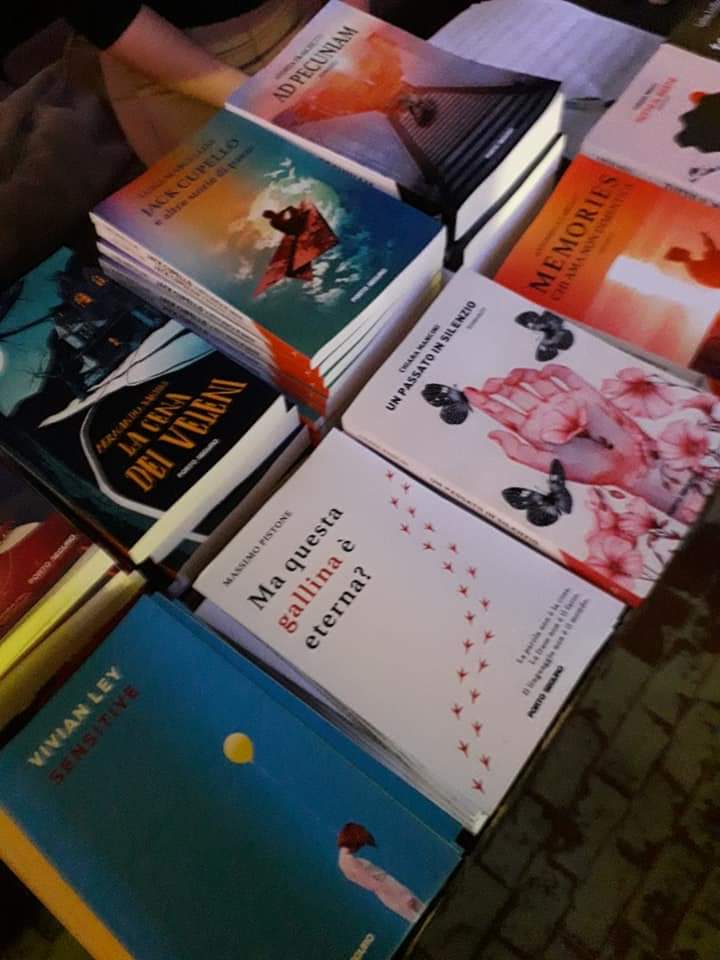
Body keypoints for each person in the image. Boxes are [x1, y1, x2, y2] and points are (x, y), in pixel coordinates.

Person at [58, 0, 370, 165]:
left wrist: (353, 24)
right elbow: (102, 12)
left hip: (304, 17)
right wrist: (260, 105)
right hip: (176, 62)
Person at [336, 823, 425, 923]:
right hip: (390, 890)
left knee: (416, 915)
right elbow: (374, 884)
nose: (360, 847)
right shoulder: (349, 861)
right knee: (419, 913)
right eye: (360, 843)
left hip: (388, 891)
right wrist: (402, 896)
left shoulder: (345, 861)